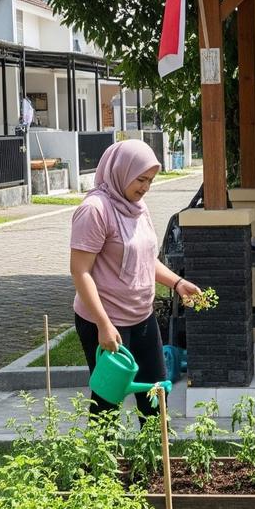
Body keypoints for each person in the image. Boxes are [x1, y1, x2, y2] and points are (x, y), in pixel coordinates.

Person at [69, 139, 203, 419]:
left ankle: (154, 461)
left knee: (156, 395)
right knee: (108, 404)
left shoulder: (138, 207)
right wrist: (103, 325)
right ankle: (101, 463)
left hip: (142, 316)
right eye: (140, 179)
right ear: (121, 172)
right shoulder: (94, 210)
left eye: (150, 181)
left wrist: (177, 283)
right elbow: (80, 271)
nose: (145, 187)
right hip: (105, 321)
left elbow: (145, 258)